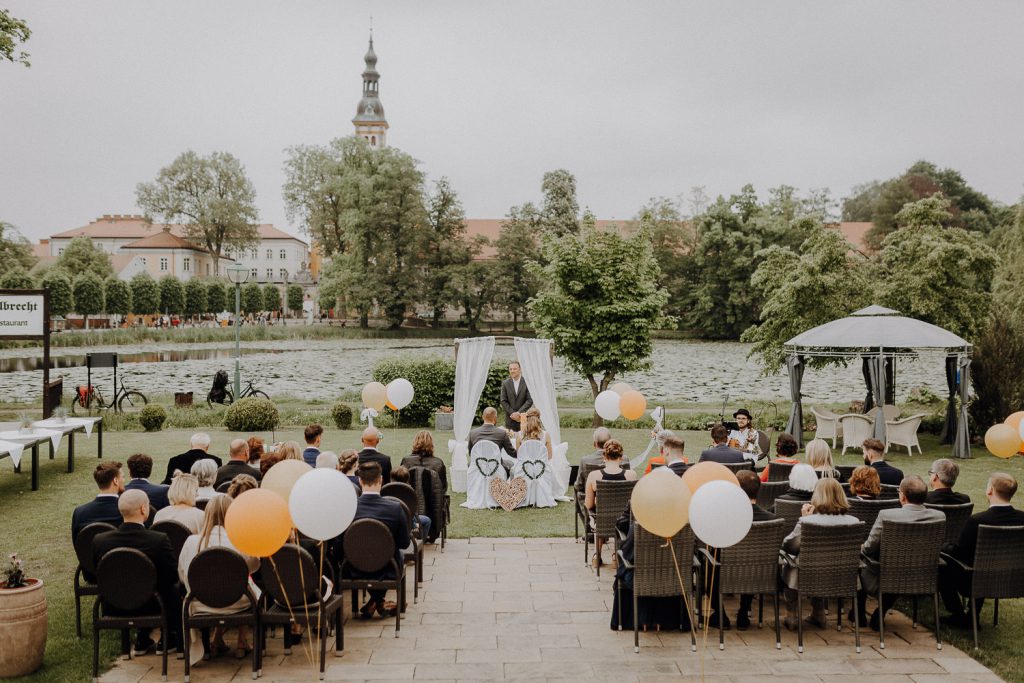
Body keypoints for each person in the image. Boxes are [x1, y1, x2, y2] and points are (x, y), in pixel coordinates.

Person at [92, 489, 182, 655]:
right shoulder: (158, 540)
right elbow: (172, 576)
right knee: (173, 588)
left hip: (113, 604)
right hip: (153, 604)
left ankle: (143, 638)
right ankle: (170, 636)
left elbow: (98, 575)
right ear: (143, 509)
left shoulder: (100, 541)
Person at [177, 494, 259, 659]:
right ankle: (241, 641)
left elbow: (182, 573)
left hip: (199, 601)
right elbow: (254, 566)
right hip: (236, 601)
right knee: (245, 583)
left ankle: (217, 639)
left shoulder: (192, 541)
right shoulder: (240, 540)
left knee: (234, 583)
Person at [857, 475, 944, 630]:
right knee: (898, 567)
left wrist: (859, 548)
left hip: (885, 576)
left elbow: (869, 548)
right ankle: (881, 611)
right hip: (921, 576)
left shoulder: (888, 515)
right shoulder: (938, 516)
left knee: (858, 559)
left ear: (902, 496)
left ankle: (858, 613)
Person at [939, 473, 1024, 628]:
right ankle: (971, 616)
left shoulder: (977, 520)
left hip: (975, 580)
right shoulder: (1022, 518)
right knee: (982, 565)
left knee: (942, 568)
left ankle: (959, 616)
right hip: (1013, 579)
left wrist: (943, 546)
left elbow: (959, 553)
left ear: (990, 491)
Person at [779, 478, 859, 630]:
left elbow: (789, 545)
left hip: (809, 573)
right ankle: (819, 612)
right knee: (820, 561)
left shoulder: (808, 521)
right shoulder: (854, 521)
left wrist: (804, 519)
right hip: (840, 574)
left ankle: (792, 614)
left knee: (791, 563)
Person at [348, 462, 410, 618]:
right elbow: (404, 543)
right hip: (388, 568)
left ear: (360, 481)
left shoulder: (349, 508)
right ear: (381, 480)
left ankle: (375, 601)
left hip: (354, 567)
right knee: (396, 555)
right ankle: (379, 601)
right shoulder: (395, 508)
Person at [734, 470, 778, 629]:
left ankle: (719, 613)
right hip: (760, 572)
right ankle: (743, 610)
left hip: (730, 571)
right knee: (753, 562)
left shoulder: (730, 517)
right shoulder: (772, 519)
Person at [584, 439, 637, 568]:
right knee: (616, 515)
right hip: (624, 522)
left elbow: (588, 505)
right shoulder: (632, 475)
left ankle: (597, 555)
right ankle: (615, 556)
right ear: (621, 457)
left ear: (604, 456)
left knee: (599, 514)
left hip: (602, 522)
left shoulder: (594, 475)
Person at [72, 461, 125, 539]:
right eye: (123, 477)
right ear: (115, 481)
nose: (124, 480)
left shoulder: (79, 512)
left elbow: (78, 543)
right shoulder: (126, 511)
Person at [391, 465, 432, 541]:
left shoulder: (387, 490)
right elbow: (412, 511)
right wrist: (413, 524)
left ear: (391, 479)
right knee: (427, 521)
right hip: (408, 521)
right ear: (408, 480)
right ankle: (420, 542)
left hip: (391, 519)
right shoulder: (410, 492)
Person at [577, 427, 612, 495]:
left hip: (593, 501)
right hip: (618, 500)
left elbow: (579, 485)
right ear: (610, 443)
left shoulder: (585, 461)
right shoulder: (623, 459)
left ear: (594, 444)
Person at [500, 361, 533, 431]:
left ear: (520, 369)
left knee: (524, 439)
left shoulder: (527, 382)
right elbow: (503, 401)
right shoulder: (505, 383)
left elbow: (530, 400)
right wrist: (512, 413)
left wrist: (518, 413)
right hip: (510, 419)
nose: (512, 371)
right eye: (510, 369)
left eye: (514, 369)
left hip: (523, 418)